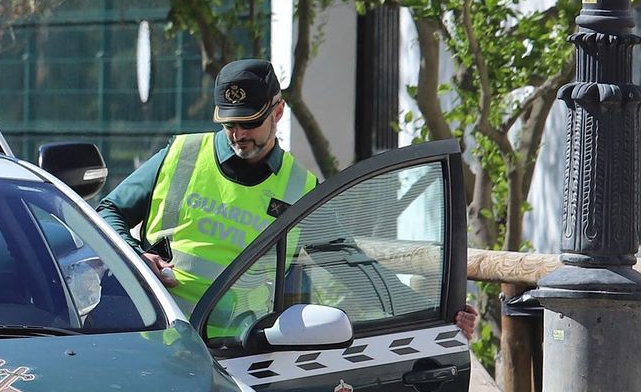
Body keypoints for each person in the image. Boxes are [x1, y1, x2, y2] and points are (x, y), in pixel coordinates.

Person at [96, 58, 476, 339]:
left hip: (237, 352)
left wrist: (438, 314)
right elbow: (108, 210)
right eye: (229, 124)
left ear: (278, 111)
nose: (238, 134)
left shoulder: (300, 190)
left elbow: (351, 265)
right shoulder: (182, 155)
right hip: (158, 331)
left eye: (249, 123)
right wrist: (133, 254)